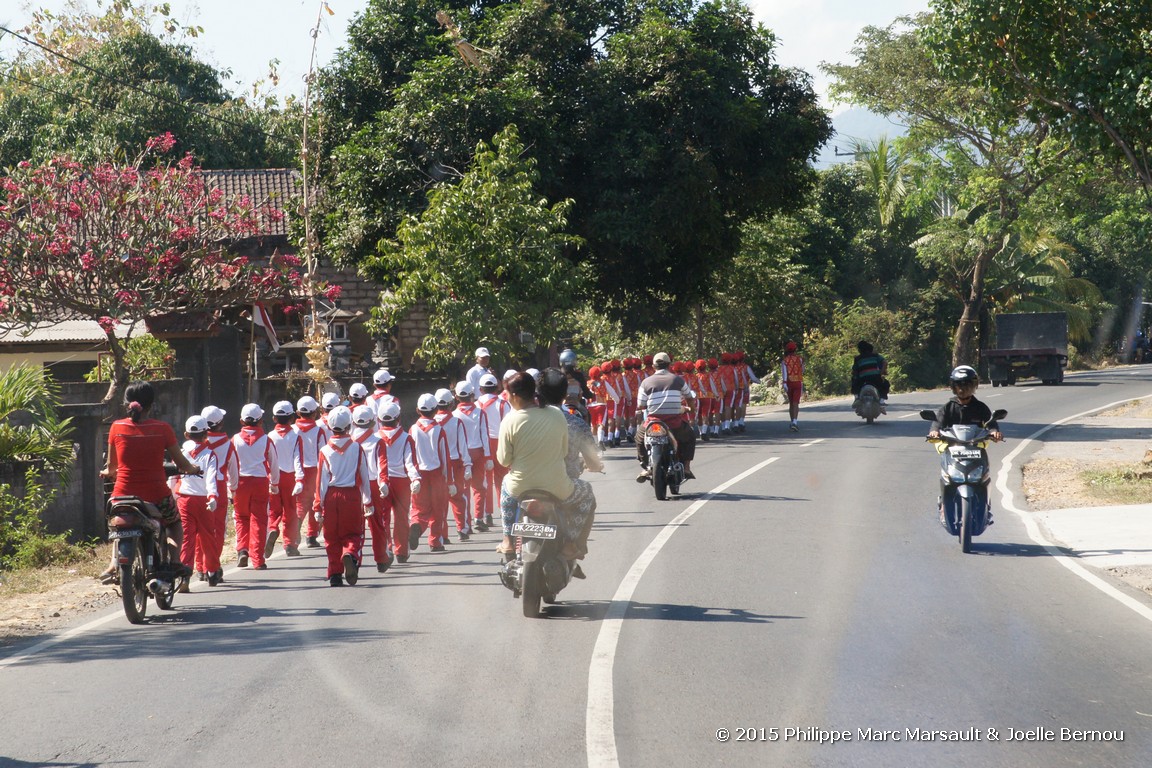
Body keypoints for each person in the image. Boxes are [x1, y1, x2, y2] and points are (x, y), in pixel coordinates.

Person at [100, 382, 202, 583]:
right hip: (156, 496)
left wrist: (105, 472)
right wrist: (194, 469)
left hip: (121, 496)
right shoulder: (162, 428)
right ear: (151, 405)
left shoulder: (116, 427)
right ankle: (174, 560)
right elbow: (182, 463)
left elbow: (112, 467)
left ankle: (114, 563)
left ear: (126, 404)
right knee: (174, 523)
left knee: (116, 526)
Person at [496, 372, 596, 568]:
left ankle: (507, 539)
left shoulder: (509, 420)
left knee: (505, 488)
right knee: (587, 495)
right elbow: (564, 450)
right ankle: (569, 544)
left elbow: (504, 460)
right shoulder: (557, 415)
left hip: (520, 488)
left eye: (507, 394)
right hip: (557, 487)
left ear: (515, 396)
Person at [315, 406, 372, 586]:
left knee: (331, 536)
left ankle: (335, 574)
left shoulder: (324, 450)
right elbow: (364, 476)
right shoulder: (357, 447)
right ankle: (350, 553)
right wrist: (368, 500)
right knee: (353, 533)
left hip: (331, 496)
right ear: (349, 425)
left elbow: (321, 482)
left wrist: (318, 505)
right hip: (351, 495)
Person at [226, 404, 279, 570]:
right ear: (261, 421)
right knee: (259, 519)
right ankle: (258, 559)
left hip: (241, 482)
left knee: (241, 517)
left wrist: (231, 486)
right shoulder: (266, 440)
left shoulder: (234, 440)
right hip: (260, 482)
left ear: (242, 421)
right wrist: (275, 484)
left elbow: (230, 464)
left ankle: (242, 550)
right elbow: (274, 464)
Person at [171, 415, 220, 589]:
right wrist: (213, 496)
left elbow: (173, 477)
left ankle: (184, 576)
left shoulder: (180, 453)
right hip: (204, 499)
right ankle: (212, 571)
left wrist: (172, 496)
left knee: (186, 539)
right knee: (208, 537)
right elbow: (211, 478)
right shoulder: (209, 454)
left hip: (184, 498)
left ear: (186, 434)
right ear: (206, 433)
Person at [635, 352, 697, 481]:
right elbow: (689, 398)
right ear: (669, 365)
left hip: (653, 423)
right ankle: (686, 467)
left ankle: (645, 466)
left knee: (639, 439)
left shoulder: (646, 382)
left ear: (653, 366)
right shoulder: (678, 380)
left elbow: (641, 404)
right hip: (674, 423)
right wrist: (691, 409)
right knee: (690, 436)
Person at [266, 401, 305, 558]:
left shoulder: (269, 436)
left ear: (274, 418)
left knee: (274, 510)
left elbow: (267, 459)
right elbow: (298, 459)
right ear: (292, 417)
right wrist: (300, 479)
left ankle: (273, 529)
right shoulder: (295, 436)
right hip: (290, 476)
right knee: (290, 511)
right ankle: (289, 544)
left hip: (273, 476)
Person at [927, 365, 1003, 442]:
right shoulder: (947, 408)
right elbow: (938, 422)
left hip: (976, 446)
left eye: (967, 384)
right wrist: (934, 431)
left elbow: (991, 423)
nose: (962, 389)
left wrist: (994, 432)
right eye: (958, 384)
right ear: (953, 386)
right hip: (951, 447)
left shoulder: (981, 407)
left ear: (974, 385)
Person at [851, 341, 891, 405]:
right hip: (875, 377)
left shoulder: (857, 358)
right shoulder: (876, 356)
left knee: (854, 382)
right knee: (886, 384)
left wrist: (856, 376)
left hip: (863, 379)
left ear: (859, 350)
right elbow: (885, 362)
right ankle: (882, 400)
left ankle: (856, 398)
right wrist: (881, 372)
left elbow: (854, 370)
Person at [781, 341, 804, 432]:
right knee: (796, 403)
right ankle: (794, 422)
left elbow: (784, 373)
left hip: (789, 383)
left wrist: (784, 383)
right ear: (795, 349)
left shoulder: (784, 361)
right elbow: (802, 370)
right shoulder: (800, 359)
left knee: (791, 403)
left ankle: (792, 421)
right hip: (798, 382)